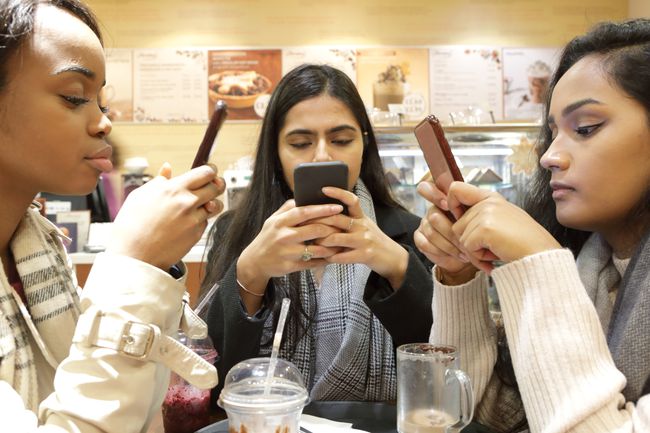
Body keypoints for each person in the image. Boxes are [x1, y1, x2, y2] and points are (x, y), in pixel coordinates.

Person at [414, 18, 650, 433]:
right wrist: (459, 273)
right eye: (552, 131)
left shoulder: (568, 269)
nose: (549, 156)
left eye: (585, 128)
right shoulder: (593, 268)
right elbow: (473, 411)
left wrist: (539, 261)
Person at [0, 0, 225, 430]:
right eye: (74, 97)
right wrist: (133, 267)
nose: (103, 122)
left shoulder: (36, 245)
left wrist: (155, 262)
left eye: (100, 101)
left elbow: (128, 406)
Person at [202, 64, 433, 401]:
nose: (322, 154)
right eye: (299, 143)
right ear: (276, 151)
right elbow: (209, 370)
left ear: (364, 144)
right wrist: (251, 271)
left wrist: (398, 266)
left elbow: (436, 359)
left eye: (341, 140)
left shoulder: (407, 233)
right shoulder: (236, 231)